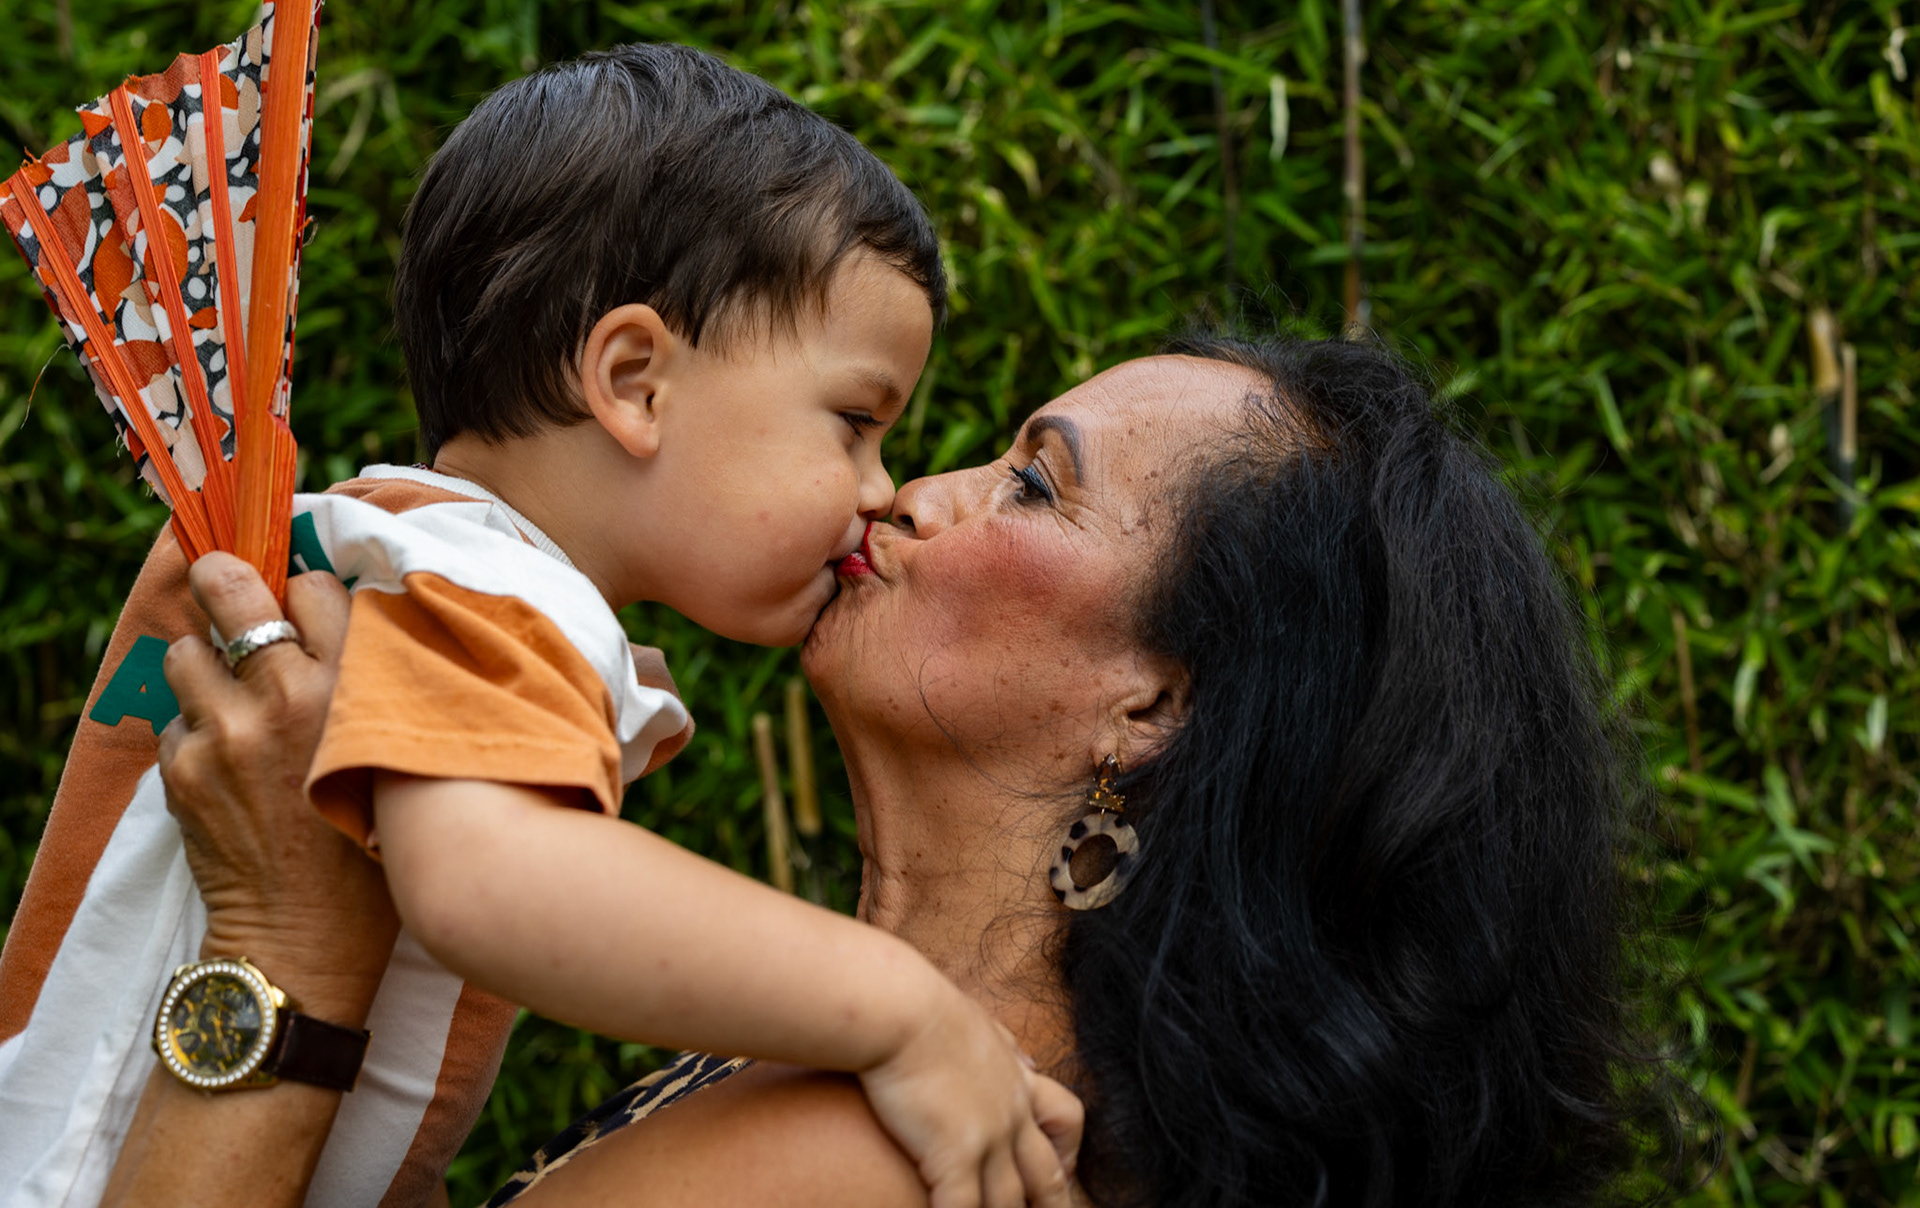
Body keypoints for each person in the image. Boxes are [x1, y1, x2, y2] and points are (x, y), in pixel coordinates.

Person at [112, 334, 1691, 1207]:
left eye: (1033, 485)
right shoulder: (910, 1087)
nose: (907, 496)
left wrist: (283, 945)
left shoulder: (875, 1160)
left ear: (1154, 704)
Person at [0, 42, 1077, 1208]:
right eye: (855, 422)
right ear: (634, 381)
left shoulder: (386, 544)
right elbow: (489, 882)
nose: (881, 488)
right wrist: (904, 1011)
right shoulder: (500, 592)